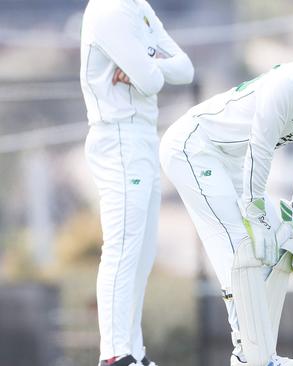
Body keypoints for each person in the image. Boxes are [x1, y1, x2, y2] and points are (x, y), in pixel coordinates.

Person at [159, 18, 293, 366]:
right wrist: (253, 213)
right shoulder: (285, 85)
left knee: (276, 241)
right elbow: (261, 149)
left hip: (233, 162)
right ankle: (250, 356)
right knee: (241, 246)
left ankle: (259, 353)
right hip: (193, 147)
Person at [79, 0, 194, 365]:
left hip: (143, 135)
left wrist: (147, 62)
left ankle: (133, 351)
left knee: (142, 254)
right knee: (124, 248)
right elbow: (152, 80)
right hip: (117, 135)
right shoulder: (109, 10)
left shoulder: (139, 7)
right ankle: (114, 354)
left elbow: (185, 69)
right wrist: (151, 66)